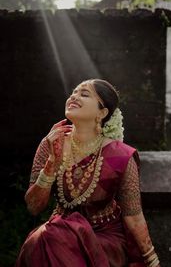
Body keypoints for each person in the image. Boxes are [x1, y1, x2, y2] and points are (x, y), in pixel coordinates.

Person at [15, 78, 161, 267]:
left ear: (102, 112)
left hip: (102, 237)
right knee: (44, 240)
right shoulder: (51, 144)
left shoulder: (121, 155)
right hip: (58, 231)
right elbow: (34, 207)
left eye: (84, 94)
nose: (74, 96)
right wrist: (52, 163)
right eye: (73, 92)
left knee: (50, 240)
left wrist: (151, 259)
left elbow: (133, 215)